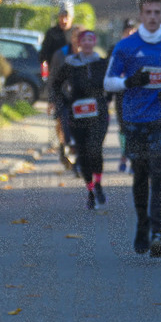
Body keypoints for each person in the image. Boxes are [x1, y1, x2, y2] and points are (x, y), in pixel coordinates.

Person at [104, 0, 161, 257]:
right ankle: (142, 224)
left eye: (157, 12)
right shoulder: (126, 47)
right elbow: (108, 81)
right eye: (148, 12)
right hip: (134, 119)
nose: (152, 17)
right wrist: (129, 83)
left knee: (159, 174)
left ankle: (158, 233)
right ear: (141, 15)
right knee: (140, 175)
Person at [55, 29, 109, 209]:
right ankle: (91, 190)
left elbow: (112, 83)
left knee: (95, 149)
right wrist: (64, 101)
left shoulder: (102, 64)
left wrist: (106, 99)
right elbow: (56, 84)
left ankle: (99, 183)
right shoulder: (70, 64)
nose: (86, 43)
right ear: (79, 43)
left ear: (94, 42)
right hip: (77, 114)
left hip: (98, 113)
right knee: (84, 154)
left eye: (90, 40)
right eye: (83, 40)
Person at [40, 1, 75, 168]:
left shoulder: (76, 34)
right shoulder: (52, 34)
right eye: (62, 16)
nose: (64, 20)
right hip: (57, 82)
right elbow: (43, 56)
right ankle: (63, 148)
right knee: (61, 119)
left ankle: (76, 148)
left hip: (75, 82)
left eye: (67, 16)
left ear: (72, 18)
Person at [110, 19, 137, 173]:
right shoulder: (114, 49)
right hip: (120, 93)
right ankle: (124, 153)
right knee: (122, 126)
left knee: (134, 126)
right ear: (122, 32)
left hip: (136, 93)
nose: (130, 33)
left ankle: (132, 158)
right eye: (128, 30)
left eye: (133, 30)